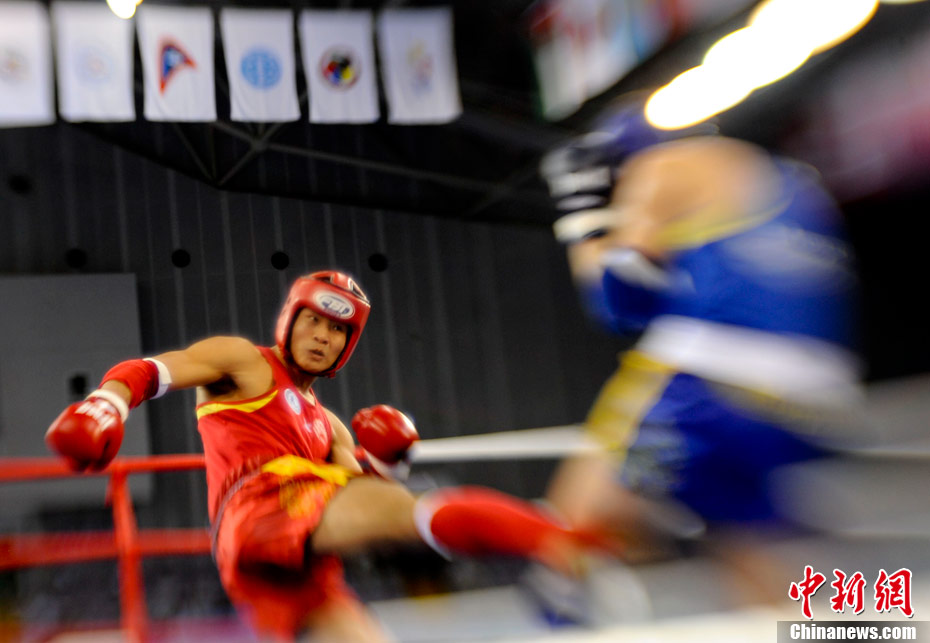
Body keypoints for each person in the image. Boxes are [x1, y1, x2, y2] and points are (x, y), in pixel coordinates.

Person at [45, 270, 612, 642]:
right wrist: (105, 405)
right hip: (260, 508)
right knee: (414, 508)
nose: (322, 336)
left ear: (347, 344)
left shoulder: (329, 425)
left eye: (337, 329)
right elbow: (149, 372)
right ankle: (561, 543)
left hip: (297, 562)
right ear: (290, 319)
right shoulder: (244, 362)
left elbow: (364, 502)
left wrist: (387, 462)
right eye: (314, 320)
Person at [539, 96, 864, 600]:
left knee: (578, 520)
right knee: (741, 542)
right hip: (819, 394)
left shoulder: (660, 169)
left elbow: (618, 304)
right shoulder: (785, 177)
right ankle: (840, 624)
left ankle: (565, 614)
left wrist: (583, 220)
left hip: (712, 386)